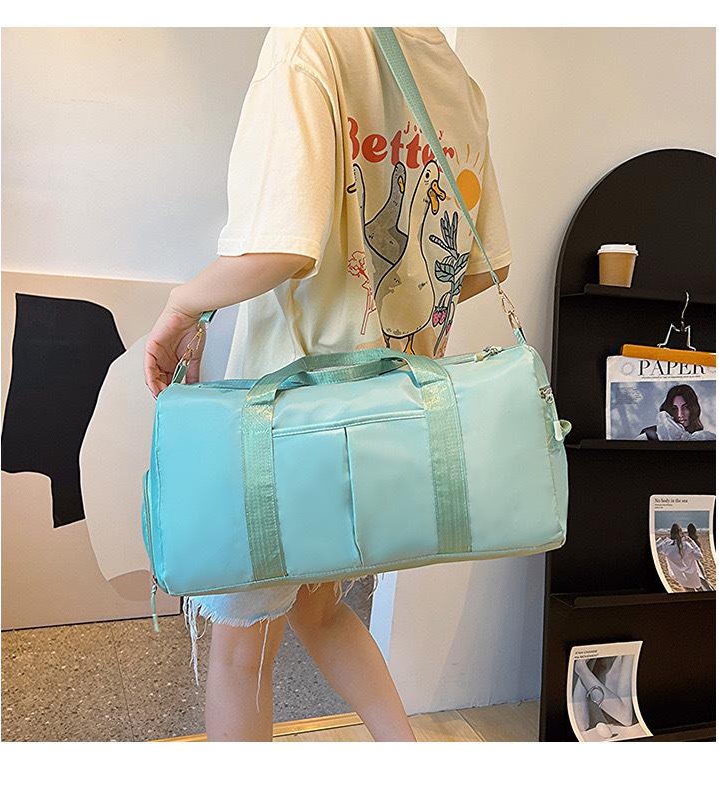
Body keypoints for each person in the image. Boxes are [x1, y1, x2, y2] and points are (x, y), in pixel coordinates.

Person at [144, 27, 512, 742]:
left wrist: (183, 306)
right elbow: (480, 270)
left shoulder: (310, 36)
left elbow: (280, 245)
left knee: (240, 651)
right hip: (387, 412)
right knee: (319, 608)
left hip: (288, 419)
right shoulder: (455, 80)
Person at [638, 384, 715, 441]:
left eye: (685, 407)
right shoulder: (650, 435)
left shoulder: (702, 437)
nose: (680, 414)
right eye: (675, 409)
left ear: (693, 409)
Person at [655, 523, 704, 591]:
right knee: (700, 591)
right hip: (692, 575)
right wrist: (692, 542)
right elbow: (700, 556)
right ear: (680, 532)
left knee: (689, 592)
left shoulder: (667, 546)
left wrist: (660, 540)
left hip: (681, 577)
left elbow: (655, 549)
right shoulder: (686, 545)